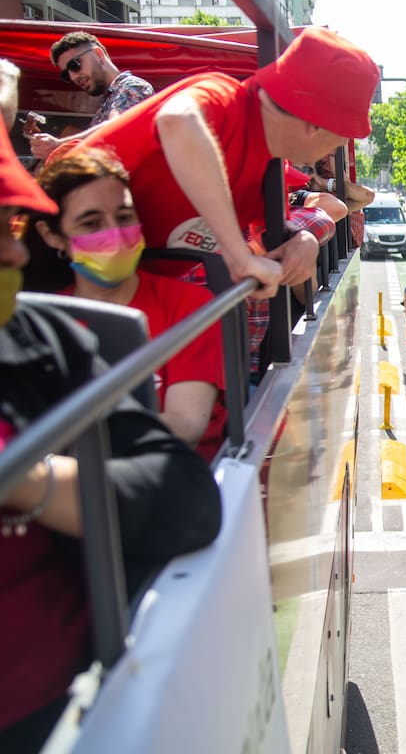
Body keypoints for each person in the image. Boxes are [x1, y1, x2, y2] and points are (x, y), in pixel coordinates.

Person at [0, 123, 221, 753]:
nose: (12, 255)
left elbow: (179, 480)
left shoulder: (47, 339)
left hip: (78, 684)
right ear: (55, 237)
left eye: (121, 216)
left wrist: (28, 478)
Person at [74, 26, 379, 301]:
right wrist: (238, 256)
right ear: (315, 124)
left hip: (109, 292)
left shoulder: (267, 166)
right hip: (51, 269)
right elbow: (177, 121)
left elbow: (267, 236)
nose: (340, 145)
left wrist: (302, 240)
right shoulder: (220, 95)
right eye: (344, 134)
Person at [25, 148, 227, 461]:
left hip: (174, 476)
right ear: (52, 236)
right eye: (91, 224)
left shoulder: (188, 304)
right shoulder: (42, 319)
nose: (116, 235)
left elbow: (186, 425)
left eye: (124, 217)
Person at [28, 32, 155, 160]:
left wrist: (58, 145)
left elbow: (116, 127)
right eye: (66, 74)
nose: (73, 77)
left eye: (75, 65)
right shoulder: (110, 98)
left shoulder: (133, 86)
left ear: (98, 54)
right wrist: (48, 142)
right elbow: (94, 143)